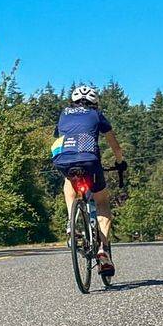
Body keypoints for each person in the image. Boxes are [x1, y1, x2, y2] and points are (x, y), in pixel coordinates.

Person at [51, 84, 126, 276]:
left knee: (69, 184)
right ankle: (102, 251)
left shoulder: (63, 114)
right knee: (101, 202)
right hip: (89, 159)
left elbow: (60, 136)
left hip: (63, 158)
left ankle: (71, 222)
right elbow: (115, 146)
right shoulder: (96, 115)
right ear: (95, 102)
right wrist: (120, 163)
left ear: (73, 101)